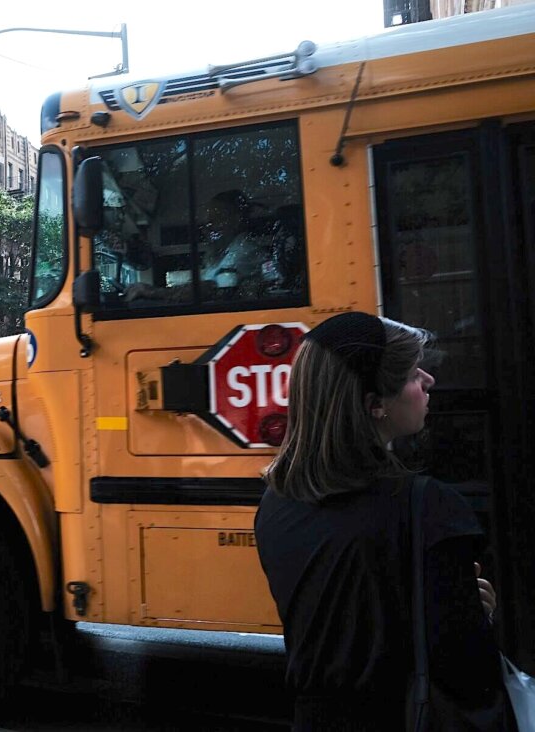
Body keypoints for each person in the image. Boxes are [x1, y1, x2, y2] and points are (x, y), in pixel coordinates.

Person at [254, 312, 514, 731]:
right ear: (375, 405)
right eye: (412, 374)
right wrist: (477, 614)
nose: (428, 380)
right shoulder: (428, 507)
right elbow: (466, 668)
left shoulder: (276, 505)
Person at [124, 189, 275, 303]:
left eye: (216, 220)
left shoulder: (246, 250)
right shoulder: (220, 254)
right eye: (207, 222)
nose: (208, 227)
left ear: (237, 220)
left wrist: (154, 292)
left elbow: (209, 289)